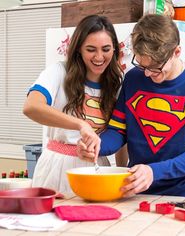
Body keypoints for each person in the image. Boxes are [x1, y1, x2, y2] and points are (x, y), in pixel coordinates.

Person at [77, 14, 185, 197]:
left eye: (156, 67)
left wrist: (154, 172)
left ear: (176, 52)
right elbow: (118, 131)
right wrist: (97, 145)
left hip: (179, 195)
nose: (147, 74)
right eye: (143, 66)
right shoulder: (133, 77)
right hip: (133, 190)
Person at [23, 14, 126, 194]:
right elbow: (31, 107)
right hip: (56, 166)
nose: (99, 57)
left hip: (96, 167)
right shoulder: (58, 72)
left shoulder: (117, 83)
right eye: (91, 49)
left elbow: (122, 132)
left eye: (106, 49)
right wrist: (81, 125)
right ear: (78, 49)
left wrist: (122, 171)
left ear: (114, 50)